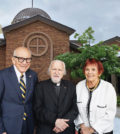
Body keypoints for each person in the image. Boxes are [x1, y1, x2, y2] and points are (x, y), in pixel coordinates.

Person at [33, 60, 78, 134]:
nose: (56, 72)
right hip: (46, 130)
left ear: (63, 72)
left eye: (60, 70)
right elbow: (38, 110)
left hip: (66, 130)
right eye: (54, 69)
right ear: (49, 71)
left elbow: (74, 109)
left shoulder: (71, 86)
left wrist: (62, 124)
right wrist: (55, 121)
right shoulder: (40, 86)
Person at [0, 47, 38, 134]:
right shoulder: (2, 76)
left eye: (28, 59)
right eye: (21, 59)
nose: (25, 63)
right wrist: (1, 130)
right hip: (8, 127)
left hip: (28, 125)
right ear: (13, 60)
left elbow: (34, 101)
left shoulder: (33, 75)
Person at [74, 58, 117, 134]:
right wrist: (82, 126)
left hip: (103, 131)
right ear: (84, 72)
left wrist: (91, 130)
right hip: (83, 131)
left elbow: (110, 113)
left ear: (99, 72)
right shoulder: (79, 86)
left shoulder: (108, 88)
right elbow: (75, 108)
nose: (90, 72)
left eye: (93, 69)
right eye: (87, 69)